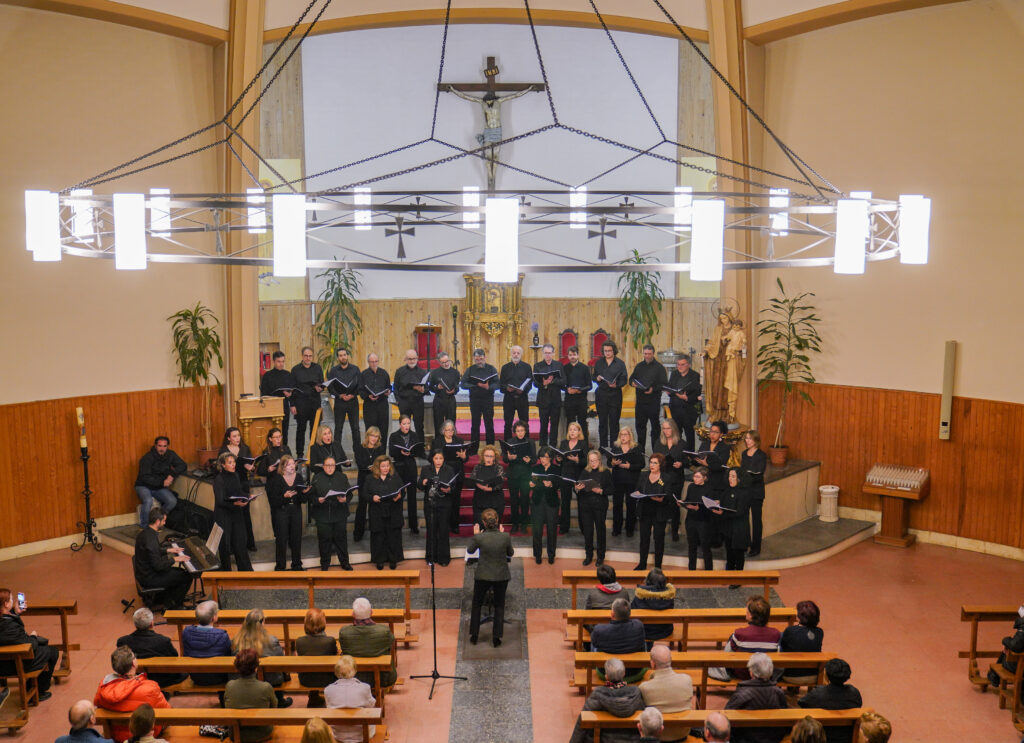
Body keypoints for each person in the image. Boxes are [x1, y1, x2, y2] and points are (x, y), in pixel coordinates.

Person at [93, 646, 169, 743]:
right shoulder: (150, 688)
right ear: (133, 663)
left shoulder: (103, 688)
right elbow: (166, 712)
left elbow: (97, 706)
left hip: (116, 734)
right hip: (145, 733)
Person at [0, 587, 60, 701]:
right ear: (6, 604)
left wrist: (15, 613)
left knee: (44, 646)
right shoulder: (9, 628)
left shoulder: (4, 620)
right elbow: (29, 645)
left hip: (4, 660)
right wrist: (33, 636)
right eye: (11, 599)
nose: (13, 601)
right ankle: (38, 691)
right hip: (14, 663)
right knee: (52, 652)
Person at [568, 657, 645, 743]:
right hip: (633, 739)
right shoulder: (635, 692)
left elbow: (582, 721)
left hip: (605, 739)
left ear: (606, 676)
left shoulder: (598, 694)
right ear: (624, 674)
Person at [467, 508, 514, 647]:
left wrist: (475, 535)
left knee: (477, 604)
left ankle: (474, 636)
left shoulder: (479, 537)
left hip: (483, 575)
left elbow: (470, 551)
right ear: (498, 521)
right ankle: (496, 638)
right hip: (501, 575)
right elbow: (510, 553)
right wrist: (502, 533)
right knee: (499, 605)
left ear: (483, 523)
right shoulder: (504, 536)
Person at [131, 506, 192, 610]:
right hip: (150, 578)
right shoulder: (151, 539)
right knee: (186, 576)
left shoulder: (145, 533)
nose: (164, 523)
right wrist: (175, 559)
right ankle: (174, 605)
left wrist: (168, 550)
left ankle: (168, 597)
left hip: (143, 573)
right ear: (157, 521)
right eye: (163, 521)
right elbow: (158, 566)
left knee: (178, 571)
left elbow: (151, 552)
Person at [231, 608, 291, 708]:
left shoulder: (236, 641)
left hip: (244, 677)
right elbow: (281, 661)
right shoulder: (272, 641)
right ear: (262, 623)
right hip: (271, 680)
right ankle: (279, 699)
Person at [724, 653, 788, 743]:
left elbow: (726, 716)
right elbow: (785, 718)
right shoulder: (778, 692)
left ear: (751, 672)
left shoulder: (741, 694)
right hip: (773, 738)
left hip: (746, 738)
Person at [116, 608, 185, 690]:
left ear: (135, 624)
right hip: (162, 679)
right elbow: (174, 657)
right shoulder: (163, 641)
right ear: (152, 623)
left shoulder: (123, 641)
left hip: (136, 678)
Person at [798, 659, 862, 743]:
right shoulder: (854, 692)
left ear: (826, 675)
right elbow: (859, 705)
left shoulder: (818, 693)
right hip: (846, 737)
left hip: (821, 736)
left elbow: (801, 702)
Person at [337, 598, 398, 688]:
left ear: (353, 614)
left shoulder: (344, 632)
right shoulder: (384, 631)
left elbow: (344, 649)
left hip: (352, 676)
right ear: (371, 612)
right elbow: (391, 644)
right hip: (383, 678)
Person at [639, 644, 694, 742]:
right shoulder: (687, 680)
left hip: (657, 734)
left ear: (653, 664)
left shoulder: (645, 687)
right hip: (682, 733)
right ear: (670, 660)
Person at [720, 595, 781, 680]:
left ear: (751, 616)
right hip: (766, 674)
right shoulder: (776, 634)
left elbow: (728, 654)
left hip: (743, 675)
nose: (746, 612)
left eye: (747, 611)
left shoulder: (739, 633)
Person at [223, 648, 277, 743]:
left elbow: (226, 706)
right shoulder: (265, 687)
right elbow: (274, 708)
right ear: (256, 667)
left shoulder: (230, 685)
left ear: (237, 667)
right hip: (262, 733)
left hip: (236, 734)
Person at [310, 457, 353, 571]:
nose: (330, 468)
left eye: (332, 465)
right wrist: (317, 500)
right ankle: (325, 565)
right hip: (322, 514)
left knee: (341, 540)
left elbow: (349, 494)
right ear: (323, 466)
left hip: (339, 513)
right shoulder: (317, 478)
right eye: (327, 465)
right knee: (324, 540)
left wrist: (345, 499)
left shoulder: (341, 477)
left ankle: (345, 563)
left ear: (335, 466)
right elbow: (311, 496)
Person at [212, 452, 253, 572]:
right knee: (225, 545)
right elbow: (220, 501)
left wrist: (248, 496)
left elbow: (239, 492)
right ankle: (226, 574)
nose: (233, 464)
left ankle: (246, 573)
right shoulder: (219, 479)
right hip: (223, 515)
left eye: (234, 462)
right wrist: (235, 503)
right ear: (223, 465)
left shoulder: (235, 475)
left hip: (236, 513)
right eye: (230, 462)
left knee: (240, 542)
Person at [266, 455, 308, 571]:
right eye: (288, 464)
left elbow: (303, 500)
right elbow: (274, 501)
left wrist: (304, 493)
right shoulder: (277, 479)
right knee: (281, 539)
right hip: (281, 511)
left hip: (295, 510)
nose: (292, 466)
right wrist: (284, 497)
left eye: (293, 464)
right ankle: (280, 566)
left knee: (296, 538)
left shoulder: (299, 477)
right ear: (283, 467)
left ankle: (297, 565)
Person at [218, 426, 257, 552]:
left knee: (245, 514)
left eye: (238, 435)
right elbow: (219, 468)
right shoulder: (224, 450)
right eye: (234, 436)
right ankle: (233, 546)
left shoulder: (245, 448)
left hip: (243, 483)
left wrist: (250, 468)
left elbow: (252, 466)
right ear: (228, 438)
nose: (237, 438)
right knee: (232, 515)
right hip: (230, 484)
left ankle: (249, 543)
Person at [133, 436, 185, 528]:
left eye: (164, 446)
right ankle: (145, 527)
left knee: (172, 501)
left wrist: (171, 475)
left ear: (167, 446)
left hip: (159, 487)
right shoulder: (147, 458)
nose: (162, 449)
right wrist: (162, 483)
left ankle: (158, 519)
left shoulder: (170, 454)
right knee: (148, 501)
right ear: (155, 446)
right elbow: (145, 477)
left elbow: (182, 465)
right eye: (160, 446)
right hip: (143, 485)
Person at [633, 453, 673, 571]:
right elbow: (637, 490)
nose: (652, 465)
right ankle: (642, 564)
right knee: (644, 539)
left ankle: (657, 566)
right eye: (651, 462)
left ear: (661, 464)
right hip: (645, 511)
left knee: (659, 539)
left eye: (655, 463)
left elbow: (668, 496)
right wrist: (638, 494)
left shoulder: (666, 478)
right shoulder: (643, 475)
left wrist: (660, 499)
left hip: (659, 512)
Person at [365, 455, 405, 570]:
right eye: (383, 466)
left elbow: (402, 491)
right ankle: (379, 560)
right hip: (377, 511)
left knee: (393, 536)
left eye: (388, 465)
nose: (386, 468)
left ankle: (393, 559)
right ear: (378, 467)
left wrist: (399, 496)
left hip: (393, 511)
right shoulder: (370, 478)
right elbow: (364, 494)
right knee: (379, 537)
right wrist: (372, 498)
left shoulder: (395, 476)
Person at [324, 655, 377, 743]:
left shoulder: (328, 690)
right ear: (355, 670)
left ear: (336, 671)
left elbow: (329, 707)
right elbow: (371, 705)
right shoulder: (365, 687)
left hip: (339, 734)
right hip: (362, 734)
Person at [180, 600, 231, 688]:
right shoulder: (222, 635)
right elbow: (228, 655)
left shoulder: (186, 632)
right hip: (218, 676)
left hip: (196, 676)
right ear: (214, 618)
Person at [295, 608, 338, 707]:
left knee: (311, 666)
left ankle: (313, 697)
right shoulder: (330, 641)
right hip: (327, 679)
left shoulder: (299, 641)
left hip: (306, 679)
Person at [419, 449, 456, 565]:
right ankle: (431, 557)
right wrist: (423, 482)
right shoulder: (426, 469)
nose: (438, 461)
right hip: (430, 504)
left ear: (443, 459)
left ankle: (444, 558)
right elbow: (419, 485)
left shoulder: (449, 469)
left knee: (444, 530)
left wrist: (449, 489)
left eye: (440, 458)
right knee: (431, 530)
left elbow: (454, 486)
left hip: (445, 503)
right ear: (432, 459)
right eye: (436, 458)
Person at [577, 450, 613, 566]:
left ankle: (600, 556)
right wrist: (578, 488)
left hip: (599, 505)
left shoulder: (606, 472)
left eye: (595, 460)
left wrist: (601, 491)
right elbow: (577, 486)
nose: (593, 463)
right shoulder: (585, 471)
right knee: (588, 531)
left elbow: (612, 489)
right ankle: (589, 555)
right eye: (590, 461)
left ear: (599, 460)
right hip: (586, 505)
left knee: (600, 530)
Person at [630, 344, 668, 453]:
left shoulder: (659, 368)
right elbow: (631, 379)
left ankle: (656, 451)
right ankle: (640, 451)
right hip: (641, 402)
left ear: (653, 354)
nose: (647, 356)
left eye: (649, 354)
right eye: (645, 354)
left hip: (653, 402)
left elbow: (664, 384)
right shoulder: (639, 366)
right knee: (640, 427)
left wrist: (653, 389)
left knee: (655, 428)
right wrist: (632, 383)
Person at [607, 427, 644, 538]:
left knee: (631, 505)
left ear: (630, 435)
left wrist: (629, 466)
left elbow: (642, 464)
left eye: (625, 434)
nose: (623, 437)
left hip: (632, 481)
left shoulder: (637, 448)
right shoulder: (615, 447)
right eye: (621, 435)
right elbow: (609, 463)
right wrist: (613, 463)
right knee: (617, 505)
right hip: (617, 480)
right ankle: (616, 528)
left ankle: (629, 529)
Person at [714, 468, 752, 575]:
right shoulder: (727, 490)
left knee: (738, 554)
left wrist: (723, 512)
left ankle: (738, 578)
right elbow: (723, 503)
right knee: (729, 552)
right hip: (729, 528)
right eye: (729, 476)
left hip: (739, 529)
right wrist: (717, 504)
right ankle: (729, 575)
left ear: (739, 479)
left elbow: (740, 512)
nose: (730, 479)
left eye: (733, 476)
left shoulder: (745, 493)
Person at [652, 419, 685, 542]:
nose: (666, 431)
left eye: (668, 428)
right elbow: (654, 459)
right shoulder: (658, 443)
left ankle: (675, 531)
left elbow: (688, 460)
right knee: (661, 503)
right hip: (662, 478)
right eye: (664, 428)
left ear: (674, 429)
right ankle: (660, 530)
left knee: (675, 505)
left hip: (676, 478)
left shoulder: (681, 443)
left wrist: (681, 464)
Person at [388, 415, 422, 533]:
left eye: (408, 423)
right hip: (399, 467)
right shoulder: (394, 436)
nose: (407, 426)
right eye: (404, 423)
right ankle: (398, 523)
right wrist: (400, 452)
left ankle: (413, 525)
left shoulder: (414, 435)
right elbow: (391, 452)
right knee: (399, 495)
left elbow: (418, 450)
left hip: (411, 467)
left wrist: (411, 452)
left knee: (412, 496)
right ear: (400, 424)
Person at [290, 346, 325, 460]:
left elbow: (322, 384)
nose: (308, 358)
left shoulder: (317, 368)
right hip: (300, 403)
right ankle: (300, 455)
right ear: (302, 356)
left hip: (315, 402)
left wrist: (320, 388)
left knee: (315, 429)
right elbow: (292, 388)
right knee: (301, 429)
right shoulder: (295, 370)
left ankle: (314, 453)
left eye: (310, 356)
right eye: (306, 356)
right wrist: (292, 404)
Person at [351, 426, 385, 541]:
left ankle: (376, 532)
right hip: (363, 480)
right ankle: (358, 533)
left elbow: (382, 463)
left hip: (375, 480)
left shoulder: (380, 449)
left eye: (376, 436)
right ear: (367, 436)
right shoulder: (360, 448)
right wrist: (370, 466)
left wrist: (374, 467)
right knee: (361, 506)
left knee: (376, 507)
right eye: (372, 436)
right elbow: (360, 463)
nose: (374, 439)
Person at [556, 421, 589, 534]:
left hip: (578, 476)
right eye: (570, 429)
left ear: (579, 431)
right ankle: (564, 527)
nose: (572, 432)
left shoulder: (583, 443)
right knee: (565, 503)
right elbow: (559, 457)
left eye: (575, 429)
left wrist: (577, 460)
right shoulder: (564, 443)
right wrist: (558, 459)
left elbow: (587, 462)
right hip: (565, 475)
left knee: (582, 503)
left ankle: (583, 528)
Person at [502, 420, 535, 535]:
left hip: (526, 474)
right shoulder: (510, 441)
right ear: (515, 432)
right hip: (513, 475)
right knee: (514, 500)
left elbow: (535, 459)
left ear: (525, 431)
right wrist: (509, 458)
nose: (520, 433)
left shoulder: (530, 442)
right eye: (518, 431)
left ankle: (524, 524)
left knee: (525, 500)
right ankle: (515, 524)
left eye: (522, 431)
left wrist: (530, 460)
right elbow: (504, 458)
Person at [461, 348, 499, 446]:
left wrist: (488, 387)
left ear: (485, 358)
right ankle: (474, 448)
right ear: (474, 359)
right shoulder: (470, 369)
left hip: (488, 399)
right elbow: (463, 384)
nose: (479, 362)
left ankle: (490, 447)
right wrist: (475, 385)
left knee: (489, 424)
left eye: (481, 359)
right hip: (475, 400)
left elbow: (497, 384)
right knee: (475, 425)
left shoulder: (491, 369)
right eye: (477, 360)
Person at [593, 341, 627, 449]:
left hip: (615, 395)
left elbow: (624, 379)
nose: (607, 353)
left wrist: (617, 385)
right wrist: (597, 378)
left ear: (614, 351)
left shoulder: (620, 363)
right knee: (602, 421)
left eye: (609, 351)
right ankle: (603, 446)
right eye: (605, 351)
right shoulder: (599, 363)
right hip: (601, 394)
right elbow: (593, 377)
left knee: (614, 421)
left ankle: (614, 446)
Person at [779, 600, 824, 684]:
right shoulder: (820, 632)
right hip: (814, 675)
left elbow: (783, 648)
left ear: (799, 616)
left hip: (790, 676)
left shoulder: (790, 630)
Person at [437, 419, 469, 534]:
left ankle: (455, 525)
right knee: (444, 501)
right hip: (443, 473)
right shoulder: (438, 441)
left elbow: (466, 459)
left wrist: (463, 456)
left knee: (456, 501)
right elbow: (432, 456)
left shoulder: (459, 440)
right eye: (447, 430)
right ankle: (444, 525)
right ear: (443, 431)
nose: (450, 432)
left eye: (451, 430)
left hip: (457, 473)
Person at [259, 350, 296, 447]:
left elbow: (292, 390)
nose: (281, 364)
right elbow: (263, 392)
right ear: (274, 362)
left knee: (284, 430)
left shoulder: (288, 375)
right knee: (272, 431)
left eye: (283, 361)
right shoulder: (267, 375)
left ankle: (284, 450)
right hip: (271, 408)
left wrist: (290, 398)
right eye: (279, 361)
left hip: (284, 406)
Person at [530, 447, 560, 564]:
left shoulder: (556, 469)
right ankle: (537, 554)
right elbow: (531, 482)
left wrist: (551, 484)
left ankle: (551, 555)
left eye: (545, 457)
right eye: (541, 457)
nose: (543, 459)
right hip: (537, 502)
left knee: (552, 529)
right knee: (537, 530)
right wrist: (531, 484)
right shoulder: (535, 468)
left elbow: (559, 483)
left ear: (551, 458)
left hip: (551, 502)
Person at [666, 354, 702, 453]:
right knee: (676, 434)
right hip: (675, 409)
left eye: (682, 364)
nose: (680, 367)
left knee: (689, 434)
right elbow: (670, 388)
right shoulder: (674, 374)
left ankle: (690, 456)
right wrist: (669, 392)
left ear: (689, 365)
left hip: (688, 410)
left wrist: (687, 398)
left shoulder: (695, 375)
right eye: (678, 364)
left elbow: (697, 393)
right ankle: (677, 455)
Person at [680, 468, 714, 571]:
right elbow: (688, 500)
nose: (695, 478)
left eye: (698, 477)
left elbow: (710, 507)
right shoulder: (691, 486)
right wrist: (682, 503)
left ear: (704, 478)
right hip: (691, 520)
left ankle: (708, 571)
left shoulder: (709, 488)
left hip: (703, 521)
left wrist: (698, 508)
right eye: (694, 476)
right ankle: (691, 570)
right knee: (691, 546)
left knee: (705, 547)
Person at [326, 347, 361, 448]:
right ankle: (337, 453)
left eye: (344, 355)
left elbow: (360, 385)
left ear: (347, 356)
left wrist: (353, 395)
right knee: (338, 428)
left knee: (355, 428)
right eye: (341, 356)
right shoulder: (333, 371)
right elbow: (330, 387)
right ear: (338, 358)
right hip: (340, 402)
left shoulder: (355, 369)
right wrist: (339, 395)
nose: (343, 357)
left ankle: (358, 452)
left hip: (353, 401)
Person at [631, 568, 676, 645]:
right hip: (664, 630)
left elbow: (633, 611)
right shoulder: (669, 595)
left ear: (648, 581)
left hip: (644, 630)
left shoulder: (641, 595)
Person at [742, 431, 769, 557]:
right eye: (746, 438)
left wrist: (748, 476)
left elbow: (759, 473)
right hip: (745, 491)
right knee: (744, 518)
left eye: (750, 439)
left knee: (756, 520)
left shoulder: (761, 455)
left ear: (756, 440)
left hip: (756, 492)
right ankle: (745, 543)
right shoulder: (744, 454)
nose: (747, 441)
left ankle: (756, 546)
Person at [534, 343, 564, 447]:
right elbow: (535, 383)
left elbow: (563, 381)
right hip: (543, 400)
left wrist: (552, 381)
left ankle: (553, 446)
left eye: (549, 353)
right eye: (545, 353)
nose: (547, 355)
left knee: (554, 425)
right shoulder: (537, 366)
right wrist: (544, 383)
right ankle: (542, 446)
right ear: (542, 353)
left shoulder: (558, 365)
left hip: (555, 400)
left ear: (553, 353)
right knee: (543, 425)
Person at [499, 344, 532, 440]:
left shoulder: (527, 367)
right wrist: (507, 389)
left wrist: (523, 390)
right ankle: (507, 447)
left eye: (518, 353)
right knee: (508, 423)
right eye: (514, 353)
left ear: (521, 354)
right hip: (509, 399)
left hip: (522, 398)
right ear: (511, 354)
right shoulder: (505, 367)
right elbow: (501, 385)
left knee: (525, 423)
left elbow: (530, 384)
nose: (516, 355)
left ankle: (526, 445)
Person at [394, 349, 428, 440]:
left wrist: (422, 390)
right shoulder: (400, 371)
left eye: (413, 358)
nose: (412, 361)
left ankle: (420, 449)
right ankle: (405, 447)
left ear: (417, 358)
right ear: (405, 359)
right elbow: (395, 388)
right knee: (405, 427)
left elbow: (427, 389)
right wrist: (398, 401)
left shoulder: (423, 372)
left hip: (418, 402)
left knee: (419, 426)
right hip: (404, 402)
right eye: (409, 359)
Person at [428, 352, 462, 440]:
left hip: (450, 401)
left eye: (447, 361)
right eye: (443, 362)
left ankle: (452, 442)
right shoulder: (435, 373)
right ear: (439, 363)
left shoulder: (455, 372)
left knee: (451, 423)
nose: (446, 364)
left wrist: (454, 391)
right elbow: (430, 387)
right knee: (438, 424)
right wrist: (437, 388)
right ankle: (439, 444)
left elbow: (457, 387)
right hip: (439, 401)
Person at [562, 345, 592, 439]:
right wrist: (567, 389)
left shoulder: (585, 368)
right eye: (570, 355)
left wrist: (580, 390)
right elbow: (561, 384)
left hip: (581, 400)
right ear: (568, 356)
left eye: (574, 354)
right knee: (570, 423)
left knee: (582, 422)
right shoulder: (564, 368)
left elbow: (589, 386)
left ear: (578, 355)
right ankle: (569, 444)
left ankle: (584, 445)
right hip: (569, 400)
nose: (572, 357)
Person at [470, 445, 505, 527]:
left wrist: (489, 489)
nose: (489, 458)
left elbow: (500, 483)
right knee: (480, 523)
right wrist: (482, 487)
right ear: (483, 456)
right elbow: (473, 480)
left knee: (494, 525)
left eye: (491, 456)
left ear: (495, 457)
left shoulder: (498, 468)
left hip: (495, 498)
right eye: (487, 456)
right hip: (480, 498)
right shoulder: (477, 467)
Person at [359, 352, 392, 438]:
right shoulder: (363, 374)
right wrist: (367, 396)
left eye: (376, 361)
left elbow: (389, 387)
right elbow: (360, 391)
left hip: (382, 405)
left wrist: (388, 391)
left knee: (383, 430)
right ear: (368, 362)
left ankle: (382, 451)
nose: (374, 363)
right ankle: (371, 451)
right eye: (372, 361)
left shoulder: (384, 373)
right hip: (369, 406)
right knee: (370, 430)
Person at [695, 419, 731, 493]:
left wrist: (707, 465)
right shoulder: (704, 444)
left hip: (717, 483)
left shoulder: (725, 447)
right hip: (703, 481)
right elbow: (699, 458)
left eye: (716, 432)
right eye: (711, 431)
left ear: (721, 434)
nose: (712, 434)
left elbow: (721, 465)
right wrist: (694, 458)